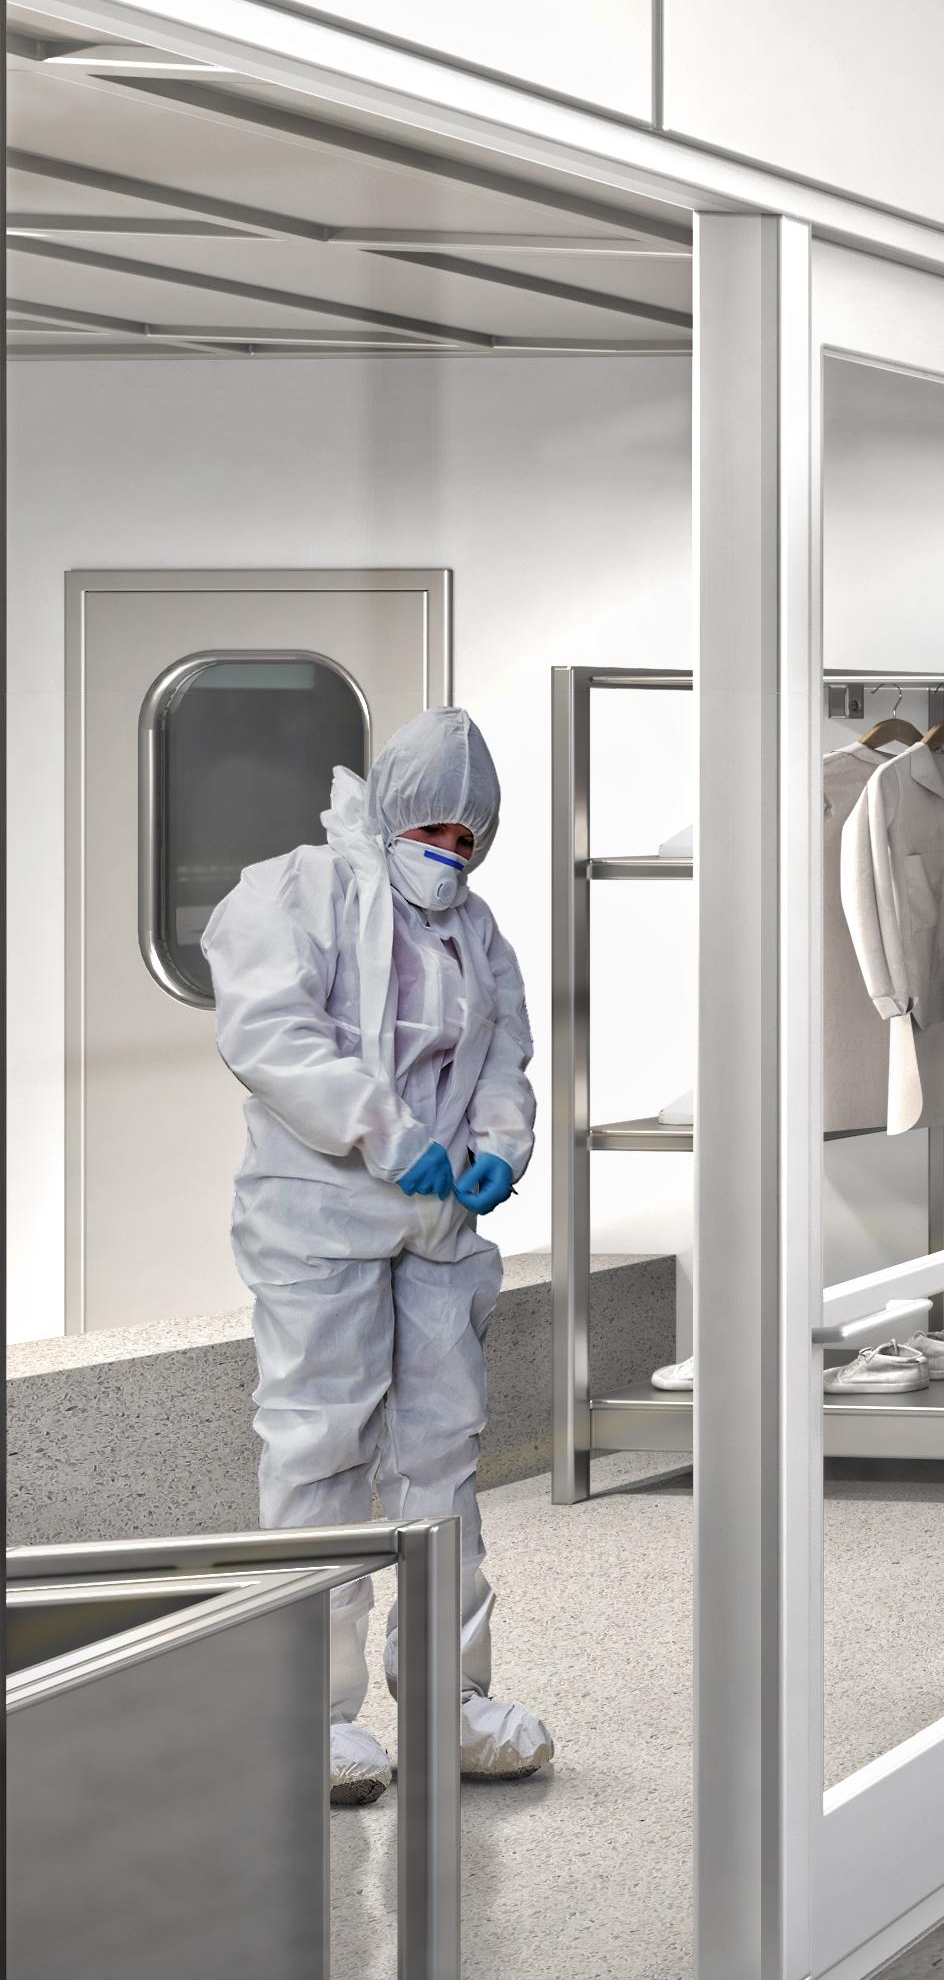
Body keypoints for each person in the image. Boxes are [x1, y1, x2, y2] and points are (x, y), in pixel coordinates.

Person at [211, 706, 552, 1803]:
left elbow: (503, 1047)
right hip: (320, 1215)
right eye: (438, 831)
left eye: (471, 839)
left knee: (443, 1459)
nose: (452, 855)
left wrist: (502, 1141)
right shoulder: (294, 890)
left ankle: (449, 1702)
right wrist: (384, 1131)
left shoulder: (478, 929)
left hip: (438, 1223)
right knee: (320, 1452)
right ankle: (310, 1718)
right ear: (394, 810)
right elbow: (268, 1034)